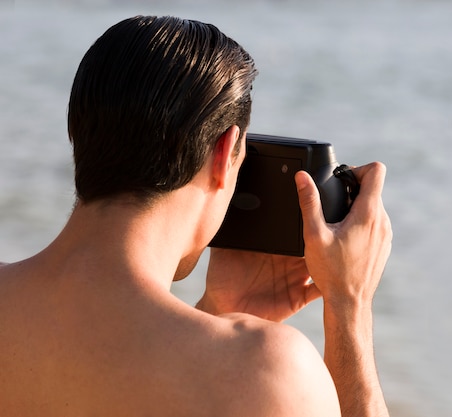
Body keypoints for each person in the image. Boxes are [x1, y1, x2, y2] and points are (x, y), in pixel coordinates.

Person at [0, 15, 392, 417]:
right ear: (224, 154)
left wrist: (218, 312)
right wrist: (350, 307)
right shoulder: (267, 373)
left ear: (77, 132)